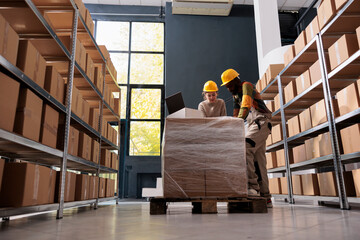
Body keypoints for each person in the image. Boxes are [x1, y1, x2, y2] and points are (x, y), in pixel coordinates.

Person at [220, 69, 273, 207]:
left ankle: (253, 187)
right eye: (226, 87)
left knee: (245, 147)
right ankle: (266, 197)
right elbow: (236, 113)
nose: (228, 88)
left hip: (261, 121)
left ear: (236, 81)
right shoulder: (235, 95)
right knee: (259, 160)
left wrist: (237, 122)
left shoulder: (246, 86)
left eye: (230, 85)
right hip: (252, 124)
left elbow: (246, 105)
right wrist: (230, 127)